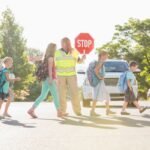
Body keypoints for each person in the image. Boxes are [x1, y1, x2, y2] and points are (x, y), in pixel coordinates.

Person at [28, 43, 63, 118]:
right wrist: (51, 78)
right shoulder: (50, 58)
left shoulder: (45, 57)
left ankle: (31, 109)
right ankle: (59, 112)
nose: (56, 50)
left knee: (43, 96)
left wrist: (32, 58)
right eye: (55, 48)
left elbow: (37, 59)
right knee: (55, 95)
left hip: (45, 79)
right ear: (53, 49)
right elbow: (50, 69)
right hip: (49, 79)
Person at [55, 37, 85, 116]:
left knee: (75, 93)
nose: (68, 45)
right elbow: (53, 66)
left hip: (71, 75)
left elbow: (79, 61)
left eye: (69, 43)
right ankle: (62, 111)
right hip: (60, 76)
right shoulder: (57, 53)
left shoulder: (74, 51)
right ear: (62, 44)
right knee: (61, 95)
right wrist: (55, 77)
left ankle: (77, 111)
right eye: (66, 43)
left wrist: (82, 58)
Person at [90, 51, 115, 116]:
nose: (107, 57)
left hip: (100, 82)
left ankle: (107, 110)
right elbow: (95, 70)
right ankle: (92, 111)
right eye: (106, 55)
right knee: (96, 96)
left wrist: (101, 78)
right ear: (102, 56)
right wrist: (100, 77)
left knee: (106, 95)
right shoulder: (100, 62)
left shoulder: (100, 62)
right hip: (98, 82)